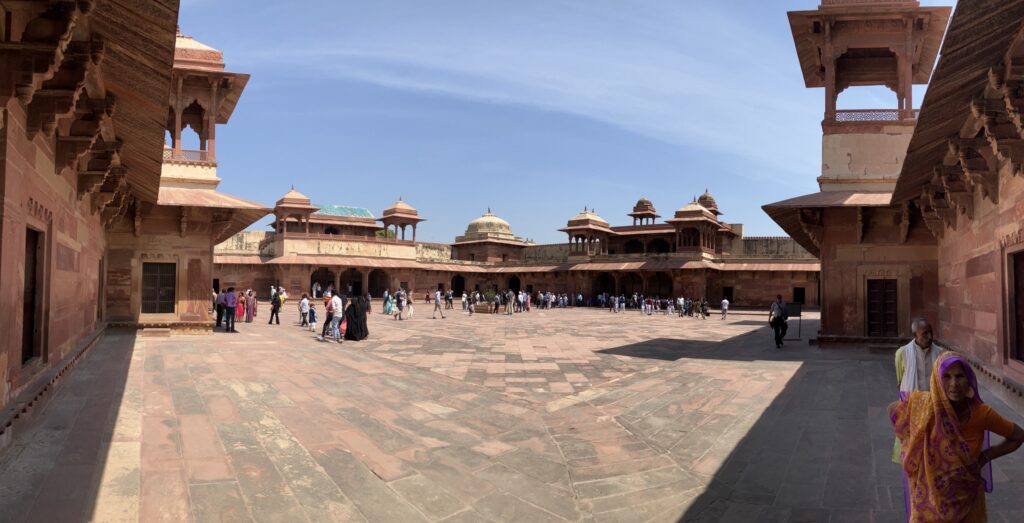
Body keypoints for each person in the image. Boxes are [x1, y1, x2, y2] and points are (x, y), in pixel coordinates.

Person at [890, 352, 1024, 522]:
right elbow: (893, 411)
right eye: (946, 376)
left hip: (967, 501)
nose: (954, 384)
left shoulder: (981, 413)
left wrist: (986, 456)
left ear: (968, 379)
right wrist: (912, 441)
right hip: (929, 503)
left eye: (960, 376)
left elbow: (1019, 436)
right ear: (937, 380)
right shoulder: (925, 407)